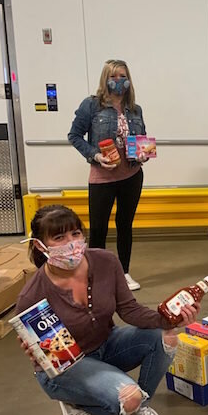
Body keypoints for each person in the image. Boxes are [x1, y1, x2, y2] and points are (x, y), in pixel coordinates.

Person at [16, 205, 199, 415]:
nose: (71, 243)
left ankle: (139, 408)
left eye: (76, 233)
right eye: (59, 237)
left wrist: (171, 318)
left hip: (106, 344)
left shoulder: (105, 261)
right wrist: (38, 352)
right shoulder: (32, 296)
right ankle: (73, 402)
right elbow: (51, 357)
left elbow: (129, 310)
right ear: (40, 245)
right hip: (69, 366)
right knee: (128, 397)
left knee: (167, 336)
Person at [68, 59, 148, 290]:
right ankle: (96, 275)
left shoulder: (135, 109)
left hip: (132, 176)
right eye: (113, 76)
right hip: (102, 178)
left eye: (122, 76)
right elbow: (74, 135)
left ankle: (124, 272)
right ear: (105, 79)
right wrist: (95, 155)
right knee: (99, 227)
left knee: (125, 224)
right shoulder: (92, 105)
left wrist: (143, 153)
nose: (118, 81)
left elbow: (141, 137)